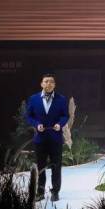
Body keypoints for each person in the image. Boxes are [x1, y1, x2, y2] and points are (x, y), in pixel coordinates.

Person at [25, 73, 69, 201]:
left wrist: (60, 124)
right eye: (46, 81)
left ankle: (55, 192)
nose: (48, 84)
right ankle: (40, 192)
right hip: (40, 138)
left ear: (54, 85)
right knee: (41, 167)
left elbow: (65, 115)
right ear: (41, 84)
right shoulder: (33, 99)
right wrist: (36, 124)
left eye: (51, 82)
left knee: (56, 166)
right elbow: (29, 116)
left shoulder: (61, 99)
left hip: (55, 138)